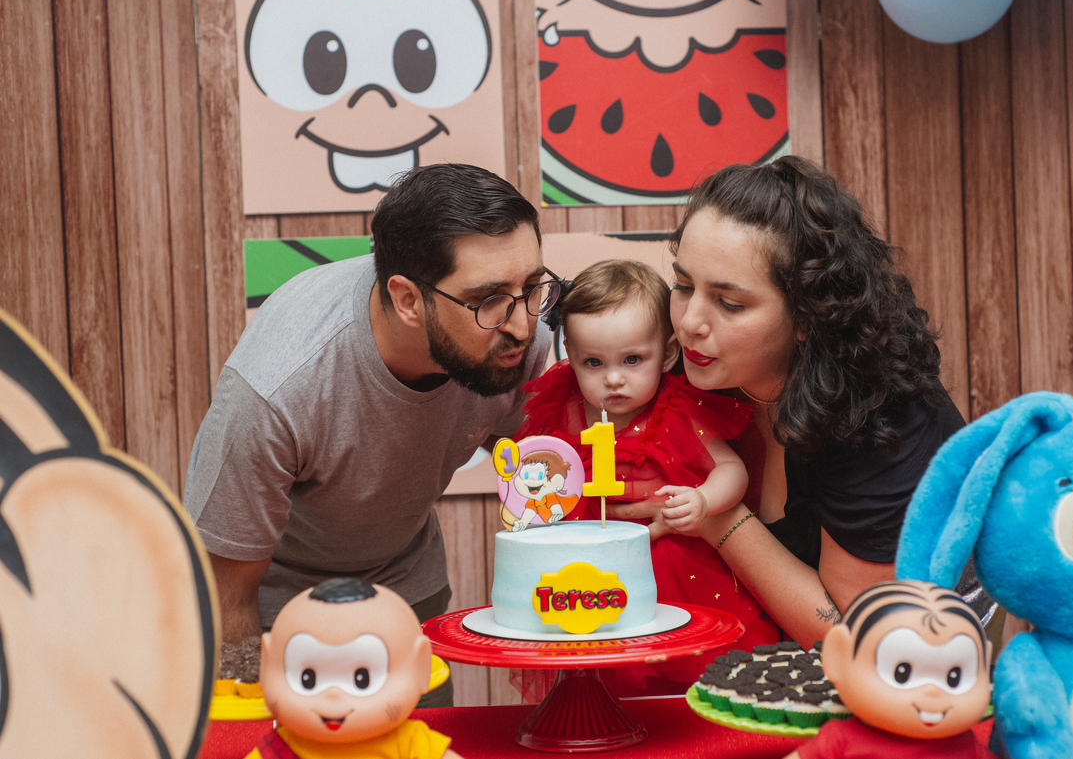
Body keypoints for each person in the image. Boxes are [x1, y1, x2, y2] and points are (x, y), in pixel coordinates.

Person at [184, 164, 556, 706]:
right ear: (407, 300)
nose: (524, 325)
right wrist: (248, 716)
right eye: (488, 300)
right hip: (276, 608)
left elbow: (544, 479)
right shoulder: (278, 388)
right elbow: (225, 591)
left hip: (405, 579)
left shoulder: (515, 342)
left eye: (532, 287)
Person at [609, 156, 970, 648]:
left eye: (730, 303)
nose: (690, 322)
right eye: (684, 286)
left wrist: (718, 518)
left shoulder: (881, 418)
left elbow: (859, 636)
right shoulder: (685, 366)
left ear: (808, 316)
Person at [514, 259, 778, 689]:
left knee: (687, 676)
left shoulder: (677, 410)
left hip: (675, 569)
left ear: (668, 354)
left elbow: (732, 469)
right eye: (593, 362)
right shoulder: (562, 412)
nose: (614, 379)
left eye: (633, 359)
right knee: (601, 679)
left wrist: (704, 500)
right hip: (588, 574)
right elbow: (534, 480)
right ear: (571, 357)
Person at [249, 578, 462, 759]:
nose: (333, 695)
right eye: (308, 679)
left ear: (421, 670)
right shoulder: (278, 747)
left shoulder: (410, 742)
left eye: (362, 679)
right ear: (265, 670)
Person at [784, 580, 996, 758]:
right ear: (837, 658)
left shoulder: (968, 746)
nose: (932, 691)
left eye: (954, 677)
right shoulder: (841, 739)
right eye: (902, 673)